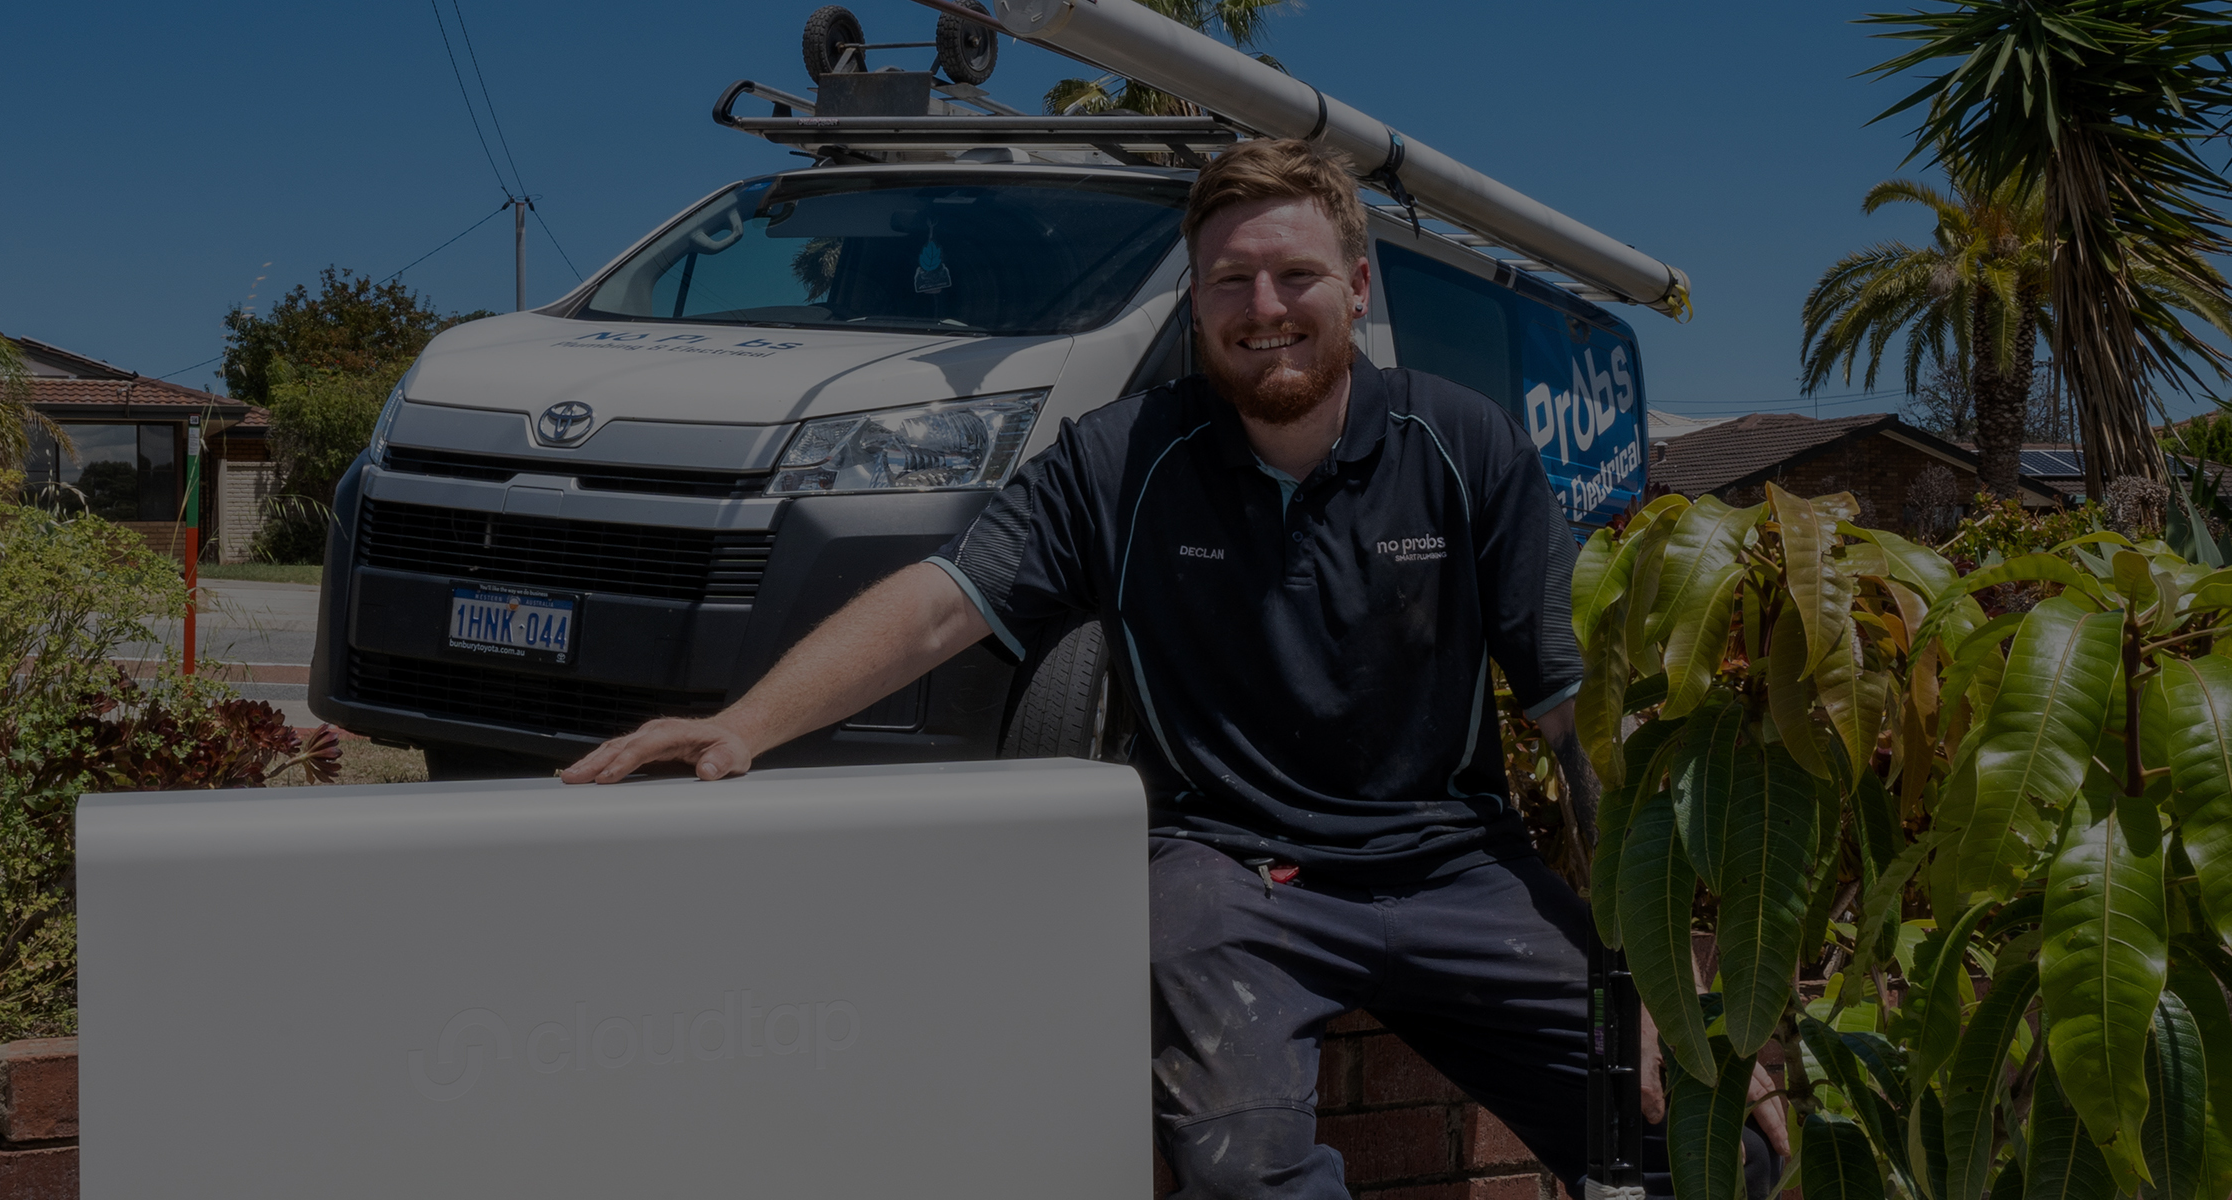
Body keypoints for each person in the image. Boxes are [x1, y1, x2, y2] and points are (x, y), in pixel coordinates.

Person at [560, 138, 1780, 1199]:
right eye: (1229, 280)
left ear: (1354, 287)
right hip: (1231, 875)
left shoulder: (1464, 446)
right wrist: (741, 727)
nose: (1264, 306)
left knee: (1727, 1149)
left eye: (1296, 275)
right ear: (1192, 302)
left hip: (1455, 869)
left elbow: (1574, 725)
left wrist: (1656, 981)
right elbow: (942, 606)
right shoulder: (1117, 459)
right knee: (1242, 1178)